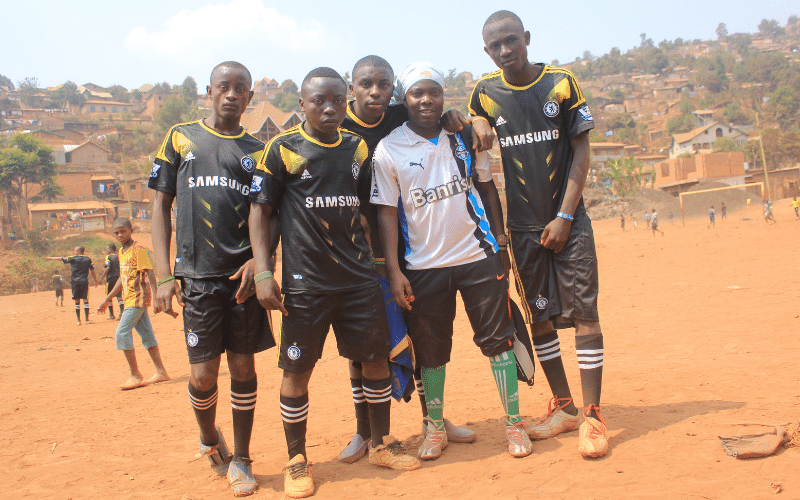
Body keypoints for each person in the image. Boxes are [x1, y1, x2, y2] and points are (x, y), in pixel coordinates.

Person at [250, 67, 420, 499]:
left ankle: (379, 444)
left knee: (374, 360)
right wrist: (265, 269)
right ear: (302, 104)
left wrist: (383, 263)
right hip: (307, 286)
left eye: (335, 101)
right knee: (297, 370)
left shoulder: (355, 147)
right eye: (317, 101)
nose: (328, 108)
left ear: (345, 102)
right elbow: (261, 213)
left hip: (360, 280)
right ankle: (296, 460)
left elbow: (367, 205)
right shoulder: (281, 150)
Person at [372, 62, 532, 460]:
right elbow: (387, 213)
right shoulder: (388, 148)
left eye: (434, 92)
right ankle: (435, 428)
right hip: (423, 266)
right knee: (431, 351)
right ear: (404, 99)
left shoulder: (463, 134)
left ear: (443, 96)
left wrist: (500, 243)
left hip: (478, 256)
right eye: (417, 93)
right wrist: (395, 271)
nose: (426, 100)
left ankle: (514, 424)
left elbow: (486, 186)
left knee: (498, 342)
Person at [470, 10, 608, 458]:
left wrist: (565, 218)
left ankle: (592, 415)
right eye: (496, 45)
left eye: (512, 40)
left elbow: (581, 154)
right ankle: (564, 407)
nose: (505, 50)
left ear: (526, 38)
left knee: (585, 313)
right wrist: (474, 124)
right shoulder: (485, 93)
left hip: (569, 223)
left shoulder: (562, 83)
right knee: (541, 318)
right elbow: (475, 126)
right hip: (523, 229)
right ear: (487, 51)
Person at [338, 55, 476, 464]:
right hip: (353, 254)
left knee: (418, 335)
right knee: (361, 346)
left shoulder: (402, 112)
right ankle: (364, 431)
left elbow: (437, 113)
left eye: (384, 84)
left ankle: (431, 420)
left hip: (405, 248)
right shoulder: (337, 126)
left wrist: (461, 118)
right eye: (367, 84)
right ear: (352, 87)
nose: (376, 92)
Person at [150, 61, 274, 497]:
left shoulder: (259, 150)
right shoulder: (181, 137)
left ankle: (242, 458)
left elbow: (269, 215)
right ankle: (208, 437)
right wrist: (163, 275)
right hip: (196, 279)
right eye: (225, 86)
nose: (232, 94)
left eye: (242, 88)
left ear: (250, 97)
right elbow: (160, 207)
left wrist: (259, 262)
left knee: (243, 367)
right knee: (203, 376)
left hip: (239, 280)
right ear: (209, 91)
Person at [97, 218, 170, 390]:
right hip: (129, 297)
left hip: (137, 298)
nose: (120, 235)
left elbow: (150, 273)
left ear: (131, 230)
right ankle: (161, 372)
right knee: (147, 335)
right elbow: (122, 280)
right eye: (116, 232)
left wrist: (157, 295)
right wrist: (108, 298)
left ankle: (135, 374)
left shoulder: (139, 250)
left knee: (122, 333)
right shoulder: (122, 252)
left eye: (123, 231)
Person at [46, 246, 99, 325]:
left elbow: (61, 258)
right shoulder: (88, 259)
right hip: (84, 282)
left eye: (75, 251)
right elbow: (93, 271)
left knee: (77, 301)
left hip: (75, 282)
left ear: (79, 252)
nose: (74, 252)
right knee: (85, 300)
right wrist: (95, 280)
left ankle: (78, 321)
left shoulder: (72, 258)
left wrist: (50, 258)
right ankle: (87, 320)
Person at [99, 243, 124, 320]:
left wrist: (102, 277)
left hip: (110, 278)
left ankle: (111, 314)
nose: (107, 250)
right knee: (119, 296)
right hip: (118, 278)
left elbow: (108, 267)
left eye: (107, 249)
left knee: (109, 296)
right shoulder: (119, 256)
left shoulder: (108, 257)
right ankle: (121, 314)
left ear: (111, 250)